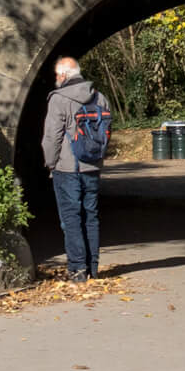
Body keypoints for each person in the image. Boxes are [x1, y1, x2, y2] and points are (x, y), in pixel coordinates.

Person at [42, 56, 110, 282]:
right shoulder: (100, 98)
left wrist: (50, 163)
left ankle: (77, 269)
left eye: (56, 75)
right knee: (91, 216)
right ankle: (92, 268)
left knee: (71, 217)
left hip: (67, 167)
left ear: (63, 75)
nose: (55, 79)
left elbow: (52, 137)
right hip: (92, 166)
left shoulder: (58, 99)